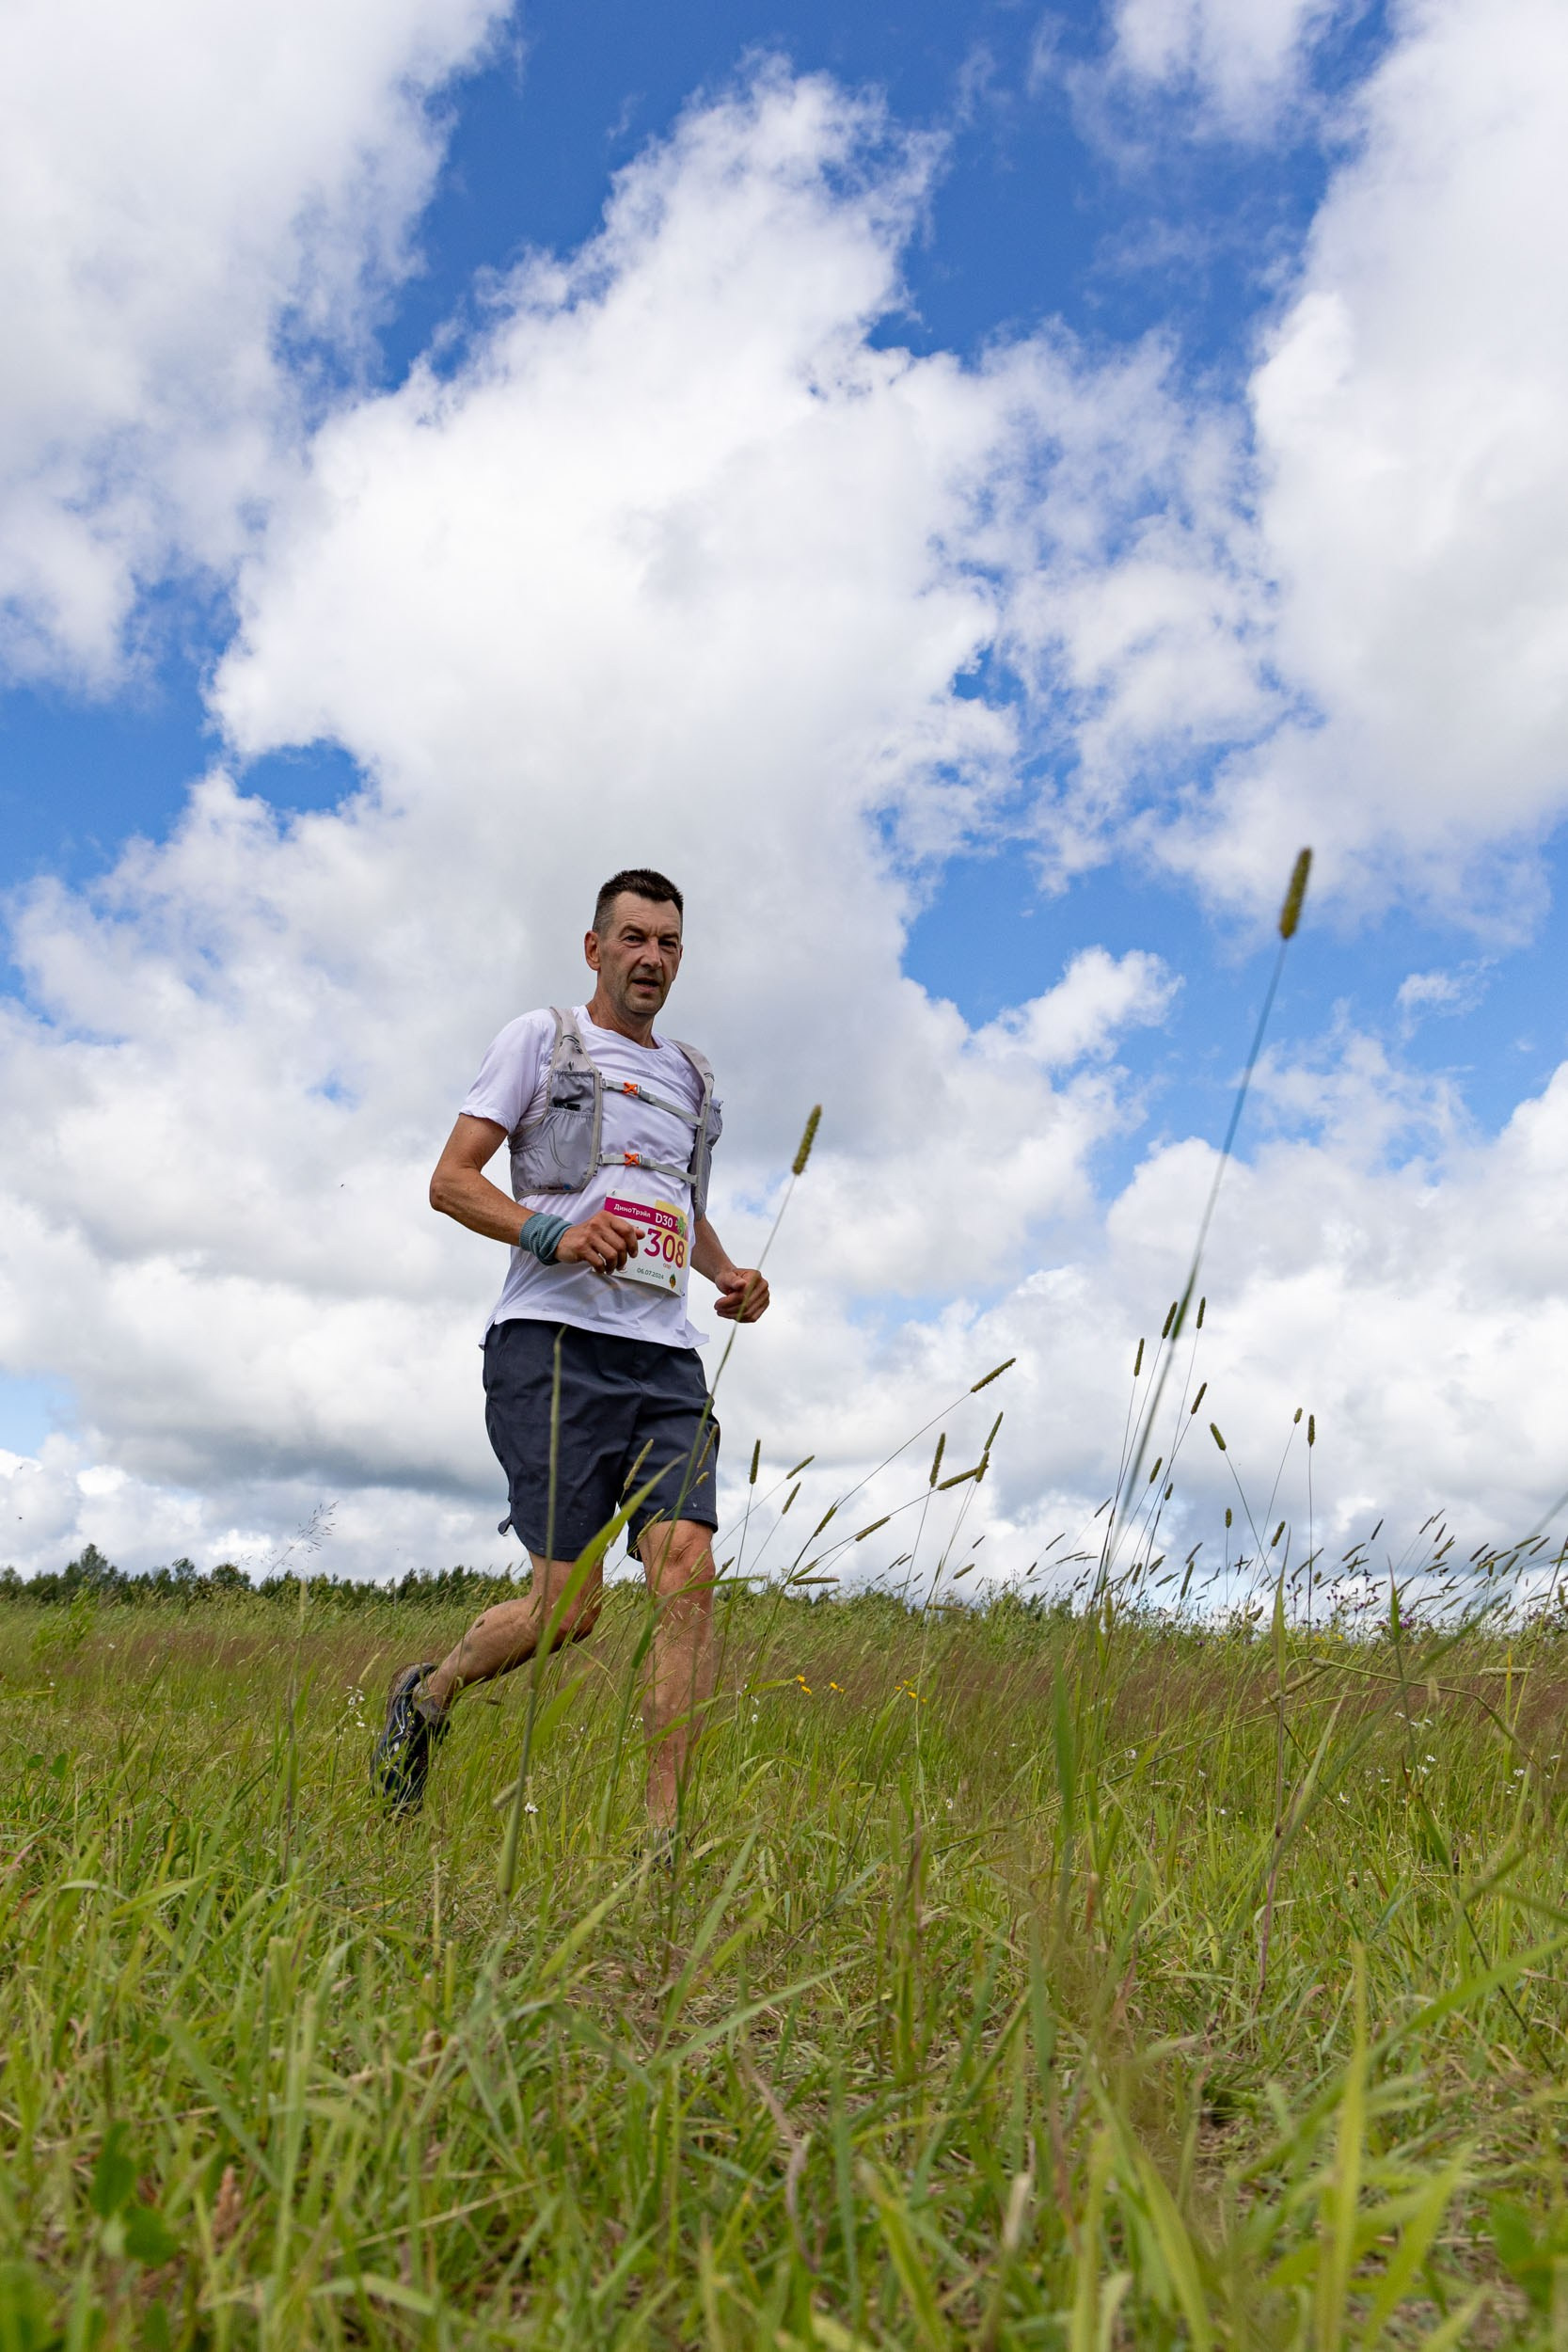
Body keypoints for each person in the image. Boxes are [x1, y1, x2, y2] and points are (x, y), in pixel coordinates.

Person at [372, 867, 769, 1829]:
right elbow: (450, 1181)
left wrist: (725, 1271)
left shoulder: (690, 1074)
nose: (650, 957)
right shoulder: (540, 1039)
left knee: (687, 1571)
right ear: (594, 948)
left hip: (663, 1356)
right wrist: (552, 1234)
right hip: (550, 1346)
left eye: (667, 943)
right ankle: (430, 1691)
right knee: (569, 1610)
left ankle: (660, 1833)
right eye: (632, 938)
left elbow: (682, 1204)